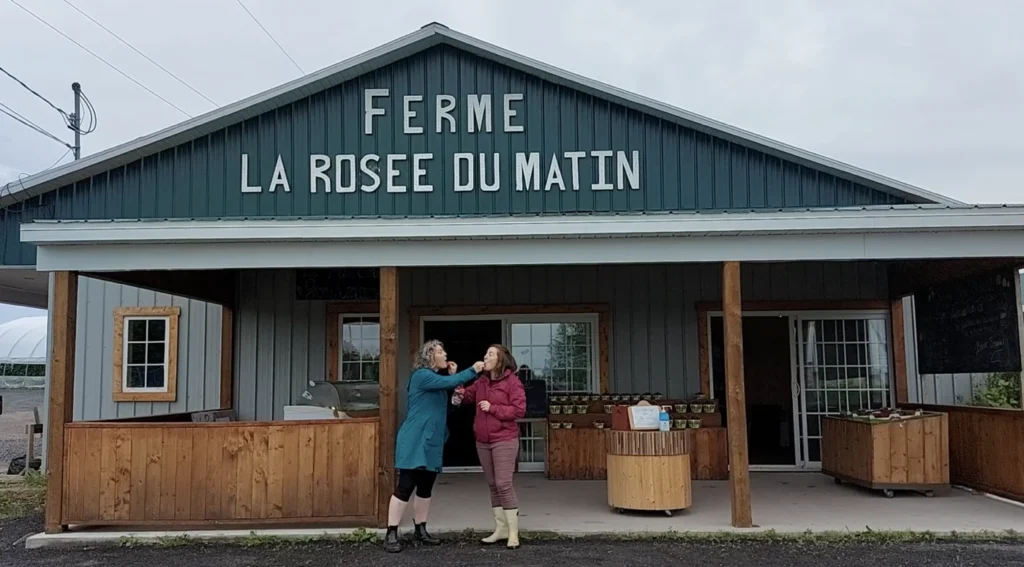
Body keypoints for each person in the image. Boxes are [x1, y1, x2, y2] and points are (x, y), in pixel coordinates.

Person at [385, 340, 484, 553]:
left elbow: (445, 408)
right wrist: (472, 370)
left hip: (431, 440)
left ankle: (420, 530)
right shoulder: (421, 376)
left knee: (425, 487)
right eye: (440, 351)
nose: (445, 354)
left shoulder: (436, 383)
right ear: (429, 357)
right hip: (415, 439)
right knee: (405, 486)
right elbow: (449, 382)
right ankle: (391, 532)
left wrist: (454, 387)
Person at [452, 344, 526, 549]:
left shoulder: (513, 382)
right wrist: (455, 377)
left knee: (503, 483)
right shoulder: (482, 381)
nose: (485, 357)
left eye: (490, 354)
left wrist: (493, 408)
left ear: (501, 359)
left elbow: (519, 410)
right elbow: (465, 397)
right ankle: (501, 529)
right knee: (493, 484)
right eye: (485, 353)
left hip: (504, 439)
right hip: (483, 440)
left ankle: (513, 533)